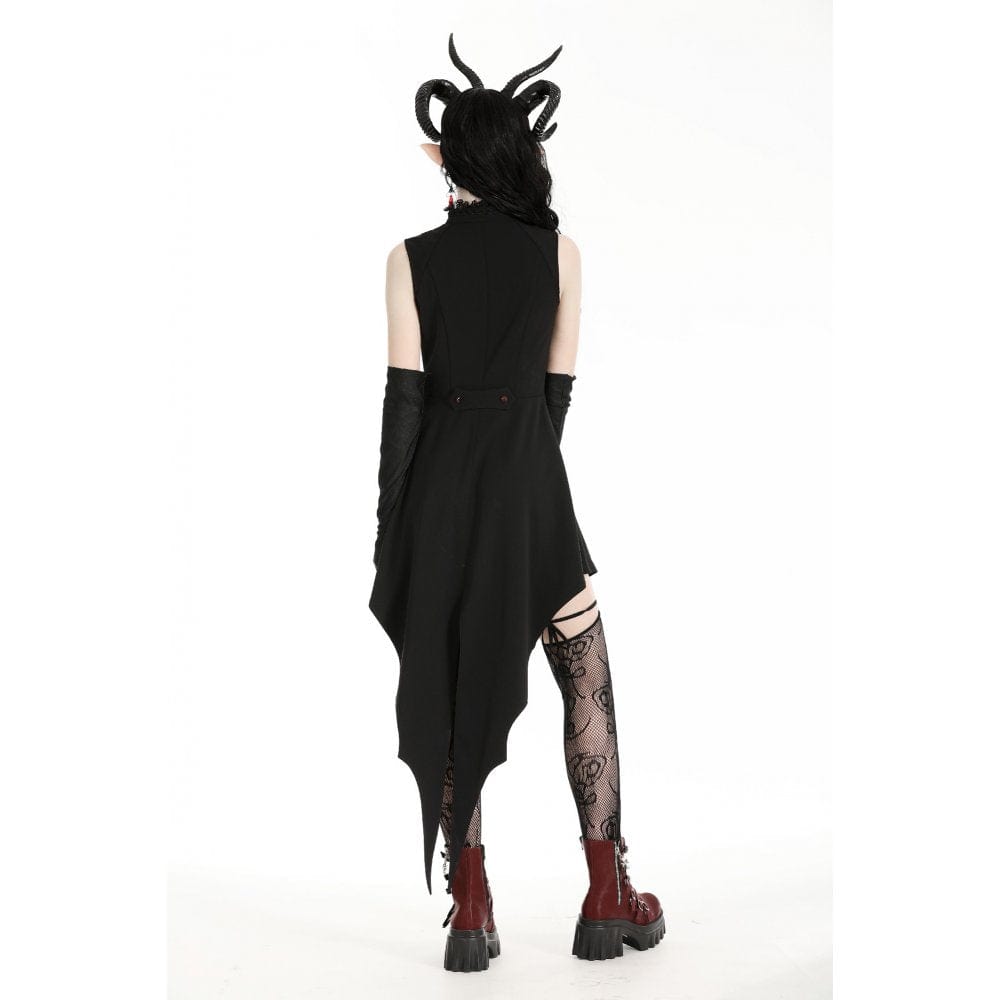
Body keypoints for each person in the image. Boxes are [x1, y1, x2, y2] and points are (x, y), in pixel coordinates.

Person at [368, 34, 665, 972]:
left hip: (440, 492)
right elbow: (554, 398)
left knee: (453, 679)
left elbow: (404, 404)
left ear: (449, 159)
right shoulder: (560, 255)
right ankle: (608, 892)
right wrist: (524, 495)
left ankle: (470, 903)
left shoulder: (409, 259)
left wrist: (392, 530)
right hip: (530, 485)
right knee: (584, 669)